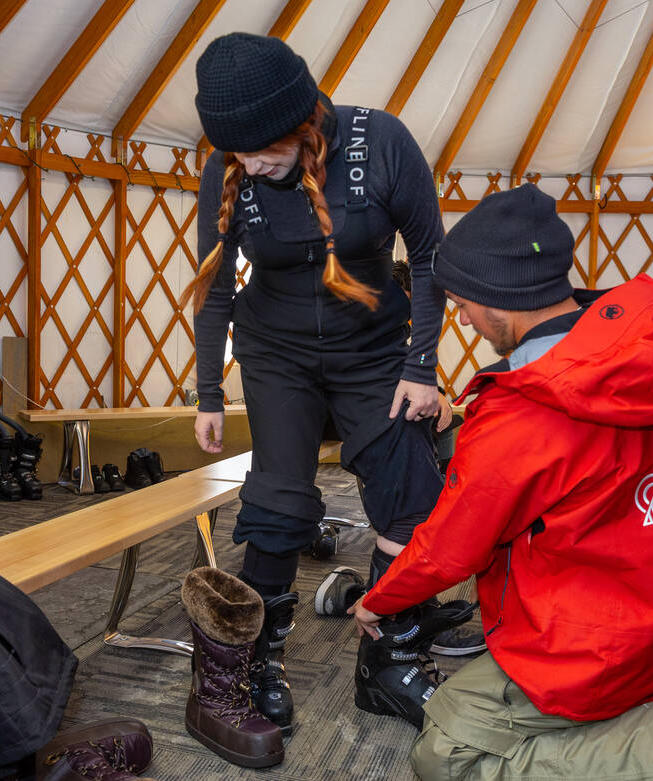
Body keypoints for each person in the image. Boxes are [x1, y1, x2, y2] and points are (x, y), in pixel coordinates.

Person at [350, 184, 653, 781]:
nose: (463, 319)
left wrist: (378, 598)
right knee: (496, 702)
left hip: (586, 651)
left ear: (496, 302)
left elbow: (452, 545)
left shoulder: (523, 412)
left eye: (462, 304)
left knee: (444, 748)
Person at [185, 31, 483, 740]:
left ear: (304, 119)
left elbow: (433, 254)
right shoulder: (227, 172)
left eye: (268, 150)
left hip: (374, 349)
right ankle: (257, 663)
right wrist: (206, 391)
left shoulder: (379, 144)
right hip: (275, 351)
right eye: (240, 155)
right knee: (279, 503)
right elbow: (215, 288)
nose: (253, 165)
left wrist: (420, 368)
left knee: (408, 493)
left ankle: (390, 663)